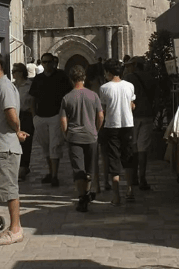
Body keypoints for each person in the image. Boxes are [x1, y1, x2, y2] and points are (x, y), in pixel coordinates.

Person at [0, 51, 29, 245]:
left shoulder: (4, 87)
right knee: (5, 188)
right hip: (0, 145)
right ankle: (13, 226)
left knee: (9, 189)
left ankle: (16, 229)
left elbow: (11, 115)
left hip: (5, 147)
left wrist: (16, 130)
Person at [59, 64, 103, 212]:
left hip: (74, 137)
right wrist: (96, 129)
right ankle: (87, 192)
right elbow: (100, 116)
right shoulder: (93, 95)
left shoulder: (67, 98)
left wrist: (66, 134)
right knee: (89, 169)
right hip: (91, 135)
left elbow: (63, 120)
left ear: (71, 79)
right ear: (84, 78)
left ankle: (82, 197)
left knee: (78, 169)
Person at [98, 58, 137, 205]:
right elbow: (132, 105)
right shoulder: (129, 86)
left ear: (108, 72)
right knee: (128, 158)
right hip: (128, 124)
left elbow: (103, 109)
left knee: (113, 160)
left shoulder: (104, 88)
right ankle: (130, 190)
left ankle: (116, 196)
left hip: (111, 126)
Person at [28, 52, 70, 186]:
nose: (46, 64)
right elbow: (32, 98)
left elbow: (68, 95)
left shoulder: (61, 76)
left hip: (56, 116)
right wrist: (34, 116)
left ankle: (55, 176)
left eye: (48, 62)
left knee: (55, 146)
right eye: (44, 62)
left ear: (53, 62)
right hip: (40, 117)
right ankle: (50, 172)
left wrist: (64, 114)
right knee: (46, 147)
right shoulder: (38, 78)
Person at [124, 57, 157, 192]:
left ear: (135, 65)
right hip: (147, 115)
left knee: (133, 146)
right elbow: (156, 97)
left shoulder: (128, 78)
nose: (128, 68)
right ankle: (142, 178)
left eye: (129, 65)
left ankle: (133, 177)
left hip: (132, 116)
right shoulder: (151, 78)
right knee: (143, 148)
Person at [12, 62, 36, 180]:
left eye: (14, 71)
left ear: (21, 73)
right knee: (15, 141)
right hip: (14, 115)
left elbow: (33, 102)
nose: (12, 74)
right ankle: (17, 166)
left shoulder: (29, 85)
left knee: (26, 142)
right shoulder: (12, 86)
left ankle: (24, 166)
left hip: (26, 115)